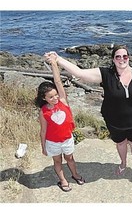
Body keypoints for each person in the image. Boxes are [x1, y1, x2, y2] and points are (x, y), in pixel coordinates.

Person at [44, 45, 132, 183]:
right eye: (118, 56)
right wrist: (58, 59)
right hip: (114, 121)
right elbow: (80, 73)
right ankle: (123, 163)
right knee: (121, 143)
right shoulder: (105, 74)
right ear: (113, 59)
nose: (122, 59)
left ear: (129, 58)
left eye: (125, 56)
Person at [35, 57, 85, 192]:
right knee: (57, 161)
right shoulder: (43, 111)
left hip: (67, 139)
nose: (55, 98)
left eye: (56, 95)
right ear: (44, 98)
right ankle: (63, 180)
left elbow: (57, 81)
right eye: (51, 97)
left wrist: (53, 64)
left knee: (70, 159)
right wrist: (43, 146)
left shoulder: (63, 101)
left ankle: (74, 175)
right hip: (53, 142)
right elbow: (43, 131)